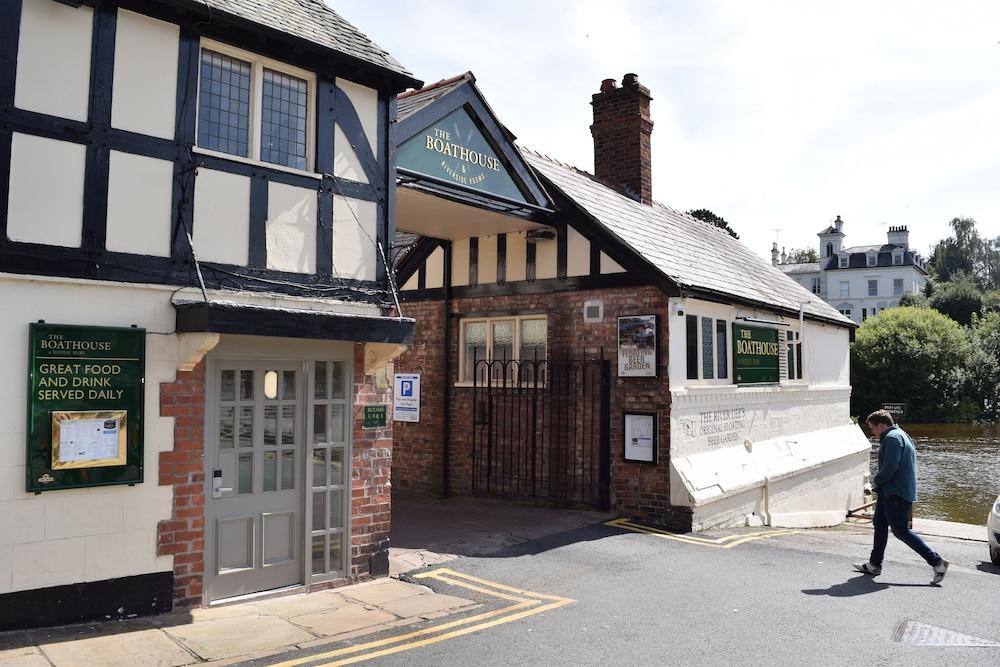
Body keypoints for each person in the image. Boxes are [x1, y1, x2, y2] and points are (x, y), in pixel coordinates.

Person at [853, 410, 949, 584]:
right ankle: (875, 564)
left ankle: (937, 562)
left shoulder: (892, 439)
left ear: (881, 425)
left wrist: (877, 479)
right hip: (889, 491)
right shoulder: (900, 434)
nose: (872, 432)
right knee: (880, 525)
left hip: (896, 493)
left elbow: (890, 468)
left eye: (872, 428)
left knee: (901, 531)